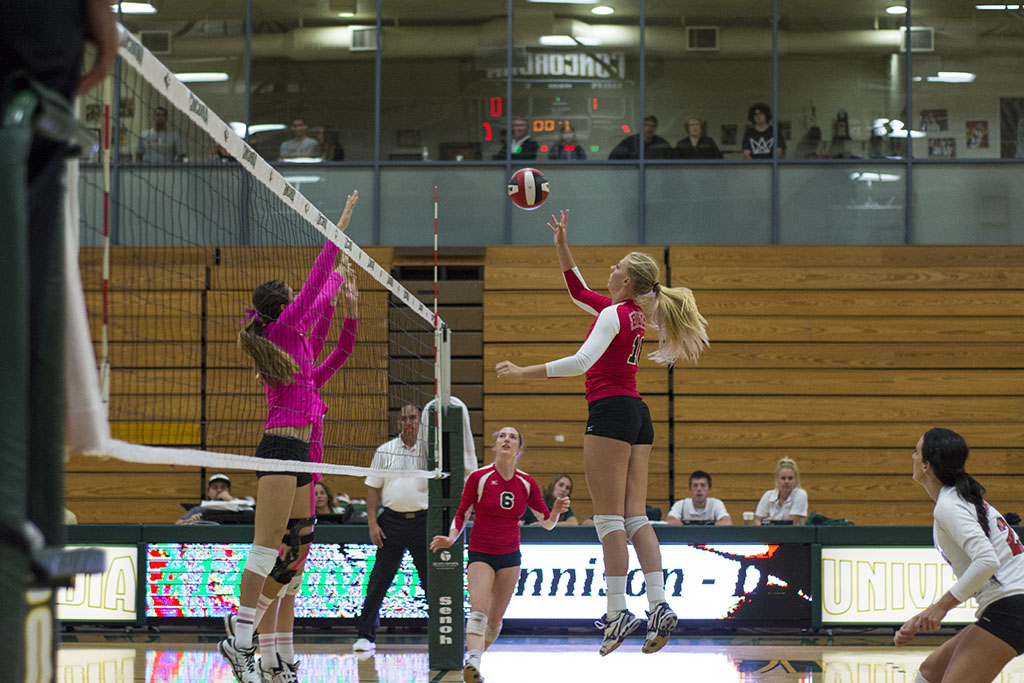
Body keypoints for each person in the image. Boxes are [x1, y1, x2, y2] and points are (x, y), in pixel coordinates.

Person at [494, 209, 709, 656]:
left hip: (609, 413)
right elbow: (577, 290)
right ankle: (659, 604)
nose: (609, 270)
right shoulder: (628, 313)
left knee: (609, 519)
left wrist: (521, 373)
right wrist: (560, 246)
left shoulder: (615, 315)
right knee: (635, 517)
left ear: (627, 281)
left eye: (616, 268)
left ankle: (616, 614)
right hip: (637, 414)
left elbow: (578, 364)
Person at [1, 3, 115, 675]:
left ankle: (36, 520)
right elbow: (108, 45)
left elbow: (107, 45)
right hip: (37, 124)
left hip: (41, 123)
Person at [218, 191, 360, 683]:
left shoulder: (294, 341)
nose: (296, 303)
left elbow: (319, 308)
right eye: (290, 300)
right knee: (266, 545)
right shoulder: (279, 332)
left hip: (299, 453)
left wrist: (345, 297)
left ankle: (270, 649)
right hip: (279, 449)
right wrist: (338, 233)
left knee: (296, 544)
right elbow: (314, 287)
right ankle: (239, 637)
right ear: (278, 310)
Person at [430, 426, 569, 683]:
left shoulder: (527, 483)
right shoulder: (479, 478)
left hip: (510, 557)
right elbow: (463, 513)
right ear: (494, 446)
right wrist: (451, 537)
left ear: (520, 450)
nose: (506, 439)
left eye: (512, 437)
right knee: (479, 611)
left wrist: (556, 511)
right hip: (481, 552)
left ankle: (473, 659)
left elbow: (547, 523)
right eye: (502, 436)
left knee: (493, 623)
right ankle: (473, 663)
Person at [894, 428, 1024, 683]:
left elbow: (987, 560)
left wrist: (940, 607)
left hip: (1013, 609)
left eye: (916, 452)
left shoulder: (950, 505)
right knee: (930, 673)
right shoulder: (957, 498)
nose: (912, 457)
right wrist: (924, 615)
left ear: (926, 466)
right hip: (1009, 606)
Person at [352, 403, 429, 653]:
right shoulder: (385, 450)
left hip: (424, 522)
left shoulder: (432, 451)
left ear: (421, 421)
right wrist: (372, 522)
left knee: (432, 582)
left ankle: (443, 635)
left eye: (414, 418)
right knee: (378, 581)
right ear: (398, 423)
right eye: (404, 418)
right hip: (391, 523)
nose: (409, 422)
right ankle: (365, 636)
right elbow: (373, 488)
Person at [176, 473, 254, 525]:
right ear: (209, 492)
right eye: (215, 487)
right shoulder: (199, 509)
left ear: (229, 491)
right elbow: (178, 523)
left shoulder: (242, 507)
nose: (219, 490)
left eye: (223, 487)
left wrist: (231, 500)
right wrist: (189, 521)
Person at [754, 457, 807, 525]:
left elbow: (791, 524)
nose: (787, 481)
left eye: (790, 478)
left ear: (796, 480)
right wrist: (767, 524)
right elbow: (757, 521)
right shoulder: (768, 495)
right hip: (769, 535)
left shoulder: (801, 494)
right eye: (783, 478)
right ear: (777, 479)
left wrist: (771, 523)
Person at [666, 470, 731, 526]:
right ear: (690, 488)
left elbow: (728, 522)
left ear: (709, 488)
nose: (699, 489)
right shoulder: (681, 504)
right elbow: (669, 522)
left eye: (703, 485)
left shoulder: (716, 503)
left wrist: (701, 523)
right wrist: (692, 521)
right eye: (695, 485)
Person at [608, 115, 673, 160]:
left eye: (653, 126)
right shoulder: (630, 142)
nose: (650, 129)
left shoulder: (662, 144)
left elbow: (673, 161)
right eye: (647, 125)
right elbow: (613, 158)